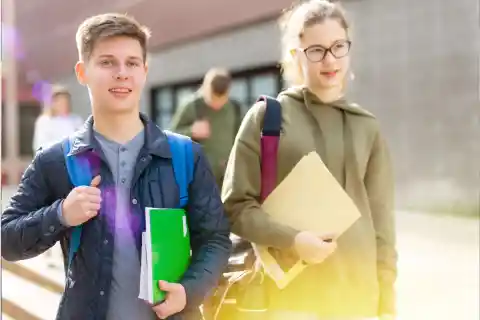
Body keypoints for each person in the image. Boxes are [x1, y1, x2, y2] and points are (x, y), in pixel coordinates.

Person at [1, 13, 232, 320]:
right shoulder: (56, 160)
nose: (122, 73)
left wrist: (190, 290)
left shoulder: (185, 156)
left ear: (145, 71)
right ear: (82, 72)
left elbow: (215, 240)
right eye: (107, 62)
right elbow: (7, 239)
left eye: (132, 63)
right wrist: (60, 214)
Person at [221, 1, 397, 320]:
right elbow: (235, 206)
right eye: (316, 50)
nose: (329, 60)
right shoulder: (267, 117)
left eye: (338, 47)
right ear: (295, 56)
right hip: (289, 297)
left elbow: (383, 226)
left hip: (356, 296)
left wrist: (386, 304)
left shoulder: (367, 126)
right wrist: (293, 240)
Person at [170, 68, 242, 189]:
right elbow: (169, 138)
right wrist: (190, 131)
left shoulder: (234, 108)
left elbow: (241, 140)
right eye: (213, 99)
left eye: (221, 100)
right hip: (197, 182)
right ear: (204, 88)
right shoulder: (192, 106)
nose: (217, 105)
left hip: (226, 181)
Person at [32, 85, 83, 153]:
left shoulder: (76, 119)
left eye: (66, 101)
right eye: (60, 102)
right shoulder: (44, 121)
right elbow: (40, 146)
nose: (64, 104)